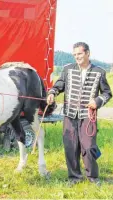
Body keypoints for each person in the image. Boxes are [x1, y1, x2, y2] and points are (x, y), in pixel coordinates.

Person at [47, 42, 112, 186]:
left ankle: (93, 177)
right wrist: (52, 93)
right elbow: (59, 85)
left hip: (88, 117)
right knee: (70, 146)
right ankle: (74, 177)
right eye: (75, 54)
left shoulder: (99, 72)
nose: (77, 57)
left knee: (89, 147)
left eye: (80, 54)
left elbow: (107, 93)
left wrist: (97, 101)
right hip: (70, 115)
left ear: (88, 53)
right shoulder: (67, 69)